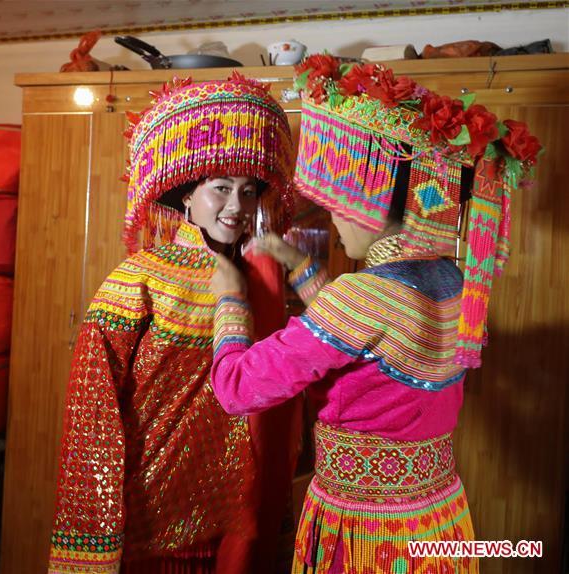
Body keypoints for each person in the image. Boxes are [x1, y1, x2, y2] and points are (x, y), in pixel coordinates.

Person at [209, 56, 540, 573]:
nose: (336, 217)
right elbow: (357, 333)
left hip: (366, 533)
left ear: (382, 203)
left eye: (344, 203)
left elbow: (237, 388)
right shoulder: (452, 280)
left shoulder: (363, 296)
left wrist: (229, 299)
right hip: (437, 517)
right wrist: (296, 262)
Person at [48, 74, 301, 574]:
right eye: (221, 189)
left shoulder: (266, 277)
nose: (236, 207)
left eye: (249, 192)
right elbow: (93, 400)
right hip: (158, 499)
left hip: (240, 502)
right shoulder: (141, 274)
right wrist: (93, 518)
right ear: (186, 195)